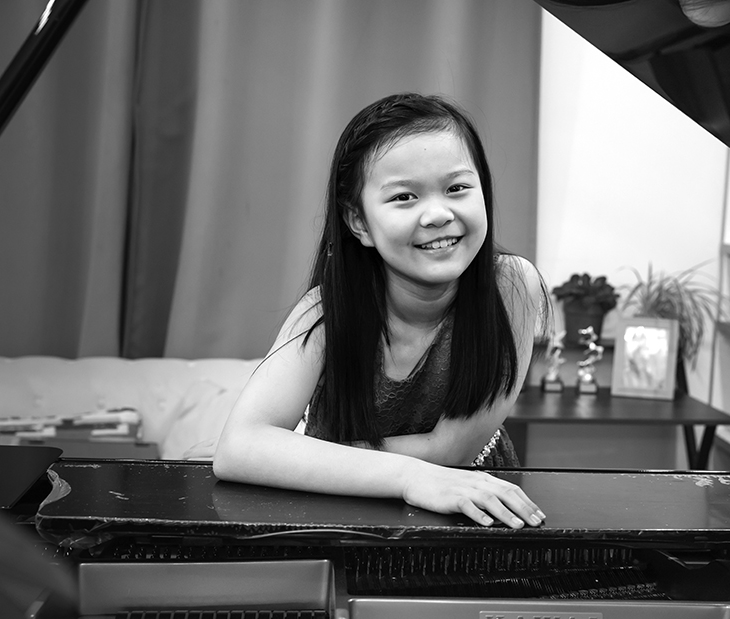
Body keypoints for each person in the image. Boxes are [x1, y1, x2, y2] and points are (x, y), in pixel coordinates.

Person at [214, 93, 548, 530]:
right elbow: (238, 447)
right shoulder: (325, 310)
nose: (437, 214)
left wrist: (310, 457)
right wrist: (409, 476)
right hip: (345, 522)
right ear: (359, 223)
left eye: (458, 188)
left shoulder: (513, 287)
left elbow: (451, 453)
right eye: (405, 197)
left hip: (476, 523)